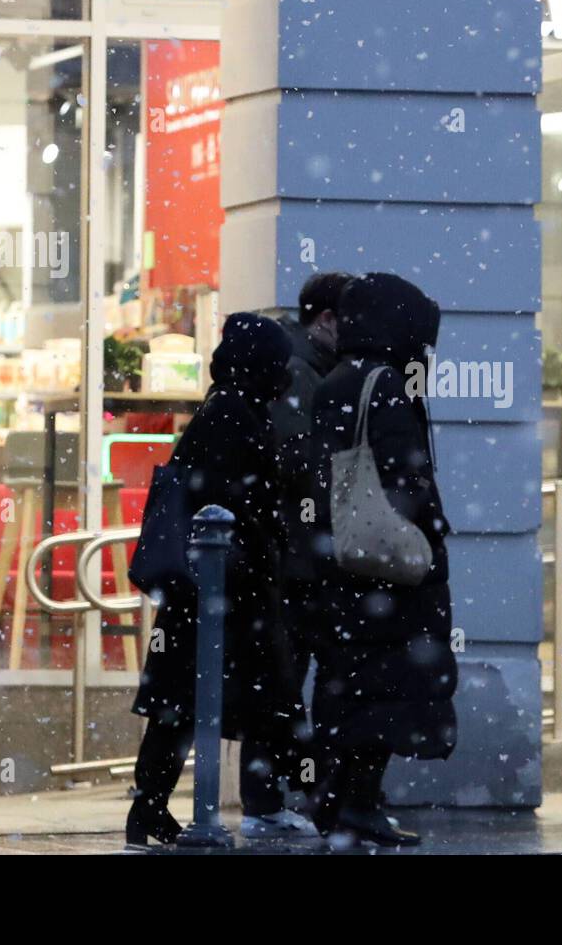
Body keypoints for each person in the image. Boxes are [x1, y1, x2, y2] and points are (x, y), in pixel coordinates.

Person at [126, 312, 305, 847]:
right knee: (212, 701)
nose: (285, 374)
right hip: (222, 592)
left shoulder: (227, 407)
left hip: (211, 591)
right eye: (278, 362)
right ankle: (177, 810)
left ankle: (153, 810)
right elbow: (236, 501)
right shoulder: (235, 414)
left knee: (182, 704)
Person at [306, 272, 458, 846]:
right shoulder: (386, 382)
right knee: (388, 689)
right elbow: (406, 473)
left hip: (344, 561)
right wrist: (430, 528)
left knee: (350, 683)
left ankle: (336, 801)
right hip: (390, 567)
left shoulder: (338, 380)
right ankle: (360, 804)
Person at [236, 271, 353, 838]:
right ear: (325, 320)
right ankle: (272, 800)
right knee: (281, 680)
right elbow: (299, 466)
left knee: (287, 679)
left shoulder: (310, 369)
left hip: (300, 555)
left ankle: (292, 795)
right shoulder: (300, 374)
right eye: (348, 319)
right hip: (293, 558)